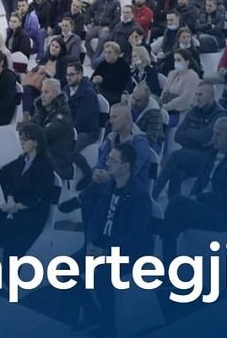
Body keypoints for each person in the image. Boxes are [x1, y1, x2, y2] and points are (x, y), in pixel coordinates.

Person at [71, 143, 153, 335]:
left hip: (128, 252)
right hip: (101, 246)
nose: (107, 163)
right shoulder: (108, 187)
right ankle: (92, 313)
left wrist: (105, 251)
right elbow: (96, 219)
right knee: (64, 269)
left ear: (126, 166)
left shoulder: (139, 195)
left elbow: (135, 236)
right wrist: (90, 242)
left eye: (113, 160)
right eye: (108, 159)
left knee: (100, 274)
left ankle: (109, 327)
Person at [0, 123, 56, 300]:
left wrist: (16, 207)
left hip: (32, 213)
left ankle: (0, 276)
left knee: (4, 229)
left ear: (36, 142)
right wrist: (9, 198)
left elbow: (40, 197)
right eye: (20, 139)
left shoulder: (45, 166)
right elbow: (4, 174)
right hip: (15, 206)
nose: (21, 142)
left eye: (25, 139)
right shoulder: (21, 160)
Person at [162, 117, 227, 263]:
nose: (213, 138)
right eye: (213, 133)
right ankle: (168, 264)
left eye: (218, 135)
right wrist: (192, 198)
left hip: (224, 213)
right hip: (207, 207)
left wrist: (199, 198)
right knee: (174, 219)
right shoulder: (209, 156)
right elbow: (199, 183)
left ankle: (166, 259)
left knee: (176, 204)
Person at [153, 82, 227, 199]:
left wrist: (188, 133)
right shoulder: (194, 111)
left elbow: (206, 136)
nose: (197, 98)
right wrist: (197, 138)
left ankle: (153, 194)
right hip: (189, 155)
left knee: (175, 156)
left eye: (200, 95)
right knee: (177, 173)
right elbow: (178, 136)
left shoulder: (220, 115)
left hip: (207, 159)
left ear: (211, 96)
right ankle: (174, 205)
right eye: (196, 94)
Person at [30, 78, 75, 181]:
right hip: (41, 155)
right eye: (42, 92)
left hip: (58, 160)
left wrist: (31, 134)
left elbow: (48, 133)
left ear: (56, 94)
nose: (42, 95)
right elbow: (29, 128)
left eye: (46, 92)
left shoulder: (63, 113)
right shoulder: (40, 109)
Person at [22, 38, 69, 118]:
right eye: (52, 45)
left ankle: (34, 118)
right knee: (27, 90)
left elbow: (62, 80)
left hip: (50, 87)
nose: (53, 48)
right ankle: (26, 116)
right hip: (38, 85)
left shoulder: (63, 61)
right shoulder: (46, 57)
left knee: (39, 96)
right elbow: (35, 70)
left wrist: (47, 71)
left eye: (57, 47)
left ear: (61, 50)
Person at [66, 62, 102, 152]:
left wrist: (65, 131)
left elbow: (82, 119)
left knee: (68, 147)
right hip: (70, 129)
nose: (68, 78)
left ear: (80, 75)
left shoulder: (88, 93)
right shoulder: (65, 89)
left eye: (72, 74)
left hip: (87, 131)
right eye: (67, 75)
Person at [160, 49, 202, 125]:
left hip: (182, 112)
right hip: (167, 108)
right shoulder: (172, 74)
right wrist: (161, 105)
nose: (176, 62)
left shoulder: (192, 76)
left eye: (179, 60)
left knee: (160, 121)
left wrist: (167, 107)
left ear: (187, 62)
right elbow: (164, 92)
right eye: (175, 60)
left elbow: (185, 98)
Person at [91, 41, 131, 106]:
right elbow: (93, 77)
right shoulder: (103, 64)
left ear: (117, 54)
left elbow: (121, 83)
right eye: (105, 52)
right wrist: (94, 80)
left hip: (116, 93)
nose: (107, 55)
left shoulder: (123, 65)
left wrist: (103, 80)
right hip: (102, 91)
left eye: (109, 53)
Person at [130, 83, 164, 153]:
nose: (133, 102)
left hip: (153, 145)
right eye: (133, 97)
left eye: (138, 101)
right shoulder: (128, 101)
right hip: (131, 140)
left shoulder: (155, 113)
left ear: (146, 102)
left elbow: (151, 141)